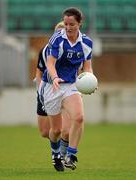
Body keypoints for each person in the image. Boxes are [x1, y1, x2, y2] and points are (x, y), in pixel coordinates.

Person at [41, 7, 94, 171]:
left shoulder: (86, 43)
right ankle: (55, 154)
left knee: (78, 118)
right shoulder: (57, 38)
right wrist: (55, 77)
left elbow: (87, 68)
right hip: (52, 85)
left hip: (71, 84)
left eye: (72, 24)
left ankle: (71, 155)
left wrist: (90, 81)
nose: (68, 27)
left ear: (79, 24)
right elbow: (50, 63)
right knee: (56, 130)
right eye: (66, 24)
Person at [35, 22, 71, 167]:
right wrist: (39, 91)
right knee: (46, 132)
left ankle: (60, 156)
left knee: (65, 131)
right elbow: (39, 70)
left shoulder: (74, 50)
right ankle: (56, 147)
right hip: (49, 90)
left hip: (67, 90)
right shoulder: (45, 51)